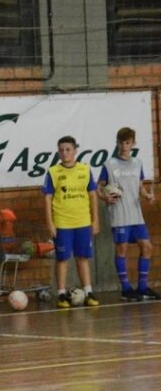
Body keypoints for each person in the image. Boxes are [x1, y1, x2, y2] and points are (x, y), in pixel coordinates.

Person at [97, 127, 158, 301]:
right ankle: (125, 289)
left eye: (127, 143)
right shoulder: (109, 164)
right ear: (117, 142)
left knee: (147, 247)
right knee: (122, 250)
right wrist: (104, 197)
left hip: (136, 215)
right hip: (119, 215)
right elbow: (99, 187)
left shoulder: (137, 162)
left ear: (133, 143)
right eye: (121, 142)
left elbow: (140, 186)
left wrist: (147, 196)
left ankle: (142, 287)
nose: (124, 146)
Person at [43, 136, 99, 308]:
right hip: (62, 223)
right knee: (62, 259)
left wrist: (95, 220)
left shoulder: (84, 169)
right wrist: (50, 223)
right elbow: (47, 198)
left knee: (83, 257)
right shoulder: (53, 172)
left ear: (75, 150)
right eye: (61, 150)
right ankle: (61, 294)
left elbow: (93, 195)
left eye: (68, 149)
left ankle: (88, 292)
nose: (64, 153)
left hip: (82, 221)